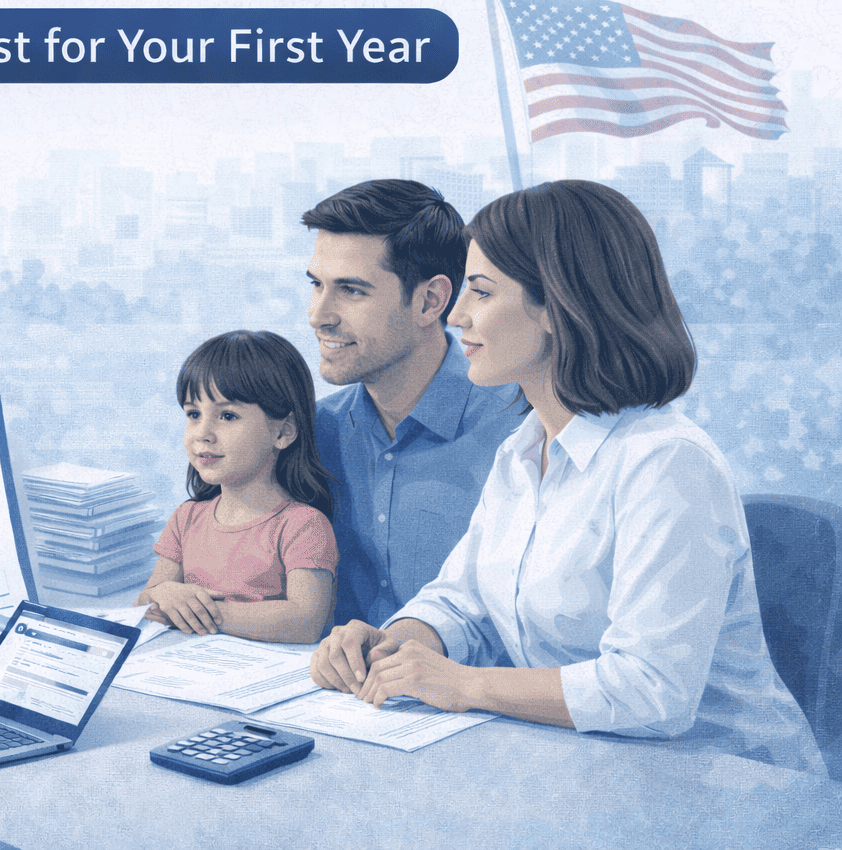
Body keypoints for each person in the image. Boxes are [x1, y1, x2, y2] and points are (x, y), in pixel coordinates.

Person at [310, 180, 825, 774]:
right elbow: (465, 599)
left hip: (727, 784)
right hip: (584, 768)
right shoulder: (523, 450)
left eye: (480, 292)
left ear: (557, 306)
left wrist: (464, 685)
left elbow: (651, 690)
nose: (456, 316)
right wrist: (403, 642)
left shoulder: (669, 464)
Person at [303, 179, 521, 629]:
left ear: (430, 301)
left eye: (351, 290)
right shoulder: (313, 433)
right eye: (317, 285)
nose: (319, 315)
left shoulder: (520, 432)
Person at [135, 330, 338, 644]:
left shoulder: (303, 526)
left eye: (227, 416)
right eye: (193, 414)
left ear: (283, 432)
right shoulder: (186, 518)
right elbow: (145, 606)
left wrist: (203, 612)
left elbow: (306, 620)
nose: (203, 433)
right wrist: (164, 594)